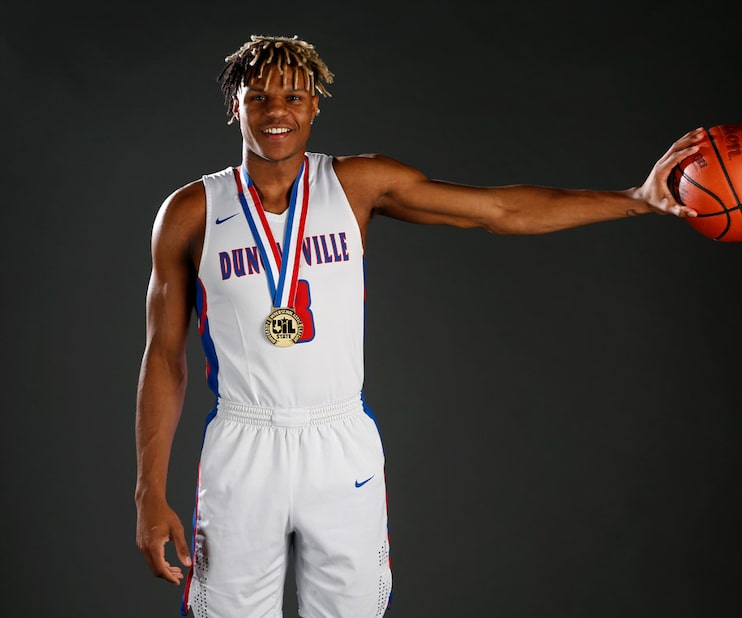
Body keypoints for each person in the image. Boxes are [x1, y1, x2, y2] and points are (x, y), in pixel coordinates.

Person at [134, 34, 704, 618]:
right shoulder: (192, 211)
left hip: (339, 441)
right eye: (259, 97)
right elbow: (164, 357)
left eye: (294, 96)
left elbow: (500, 211)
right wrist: (149, 491)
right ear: (237, 106)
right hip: (244, 441)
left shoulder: (356, 186)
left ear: (315, 105)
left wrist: (638, 198)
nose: (277, 110)